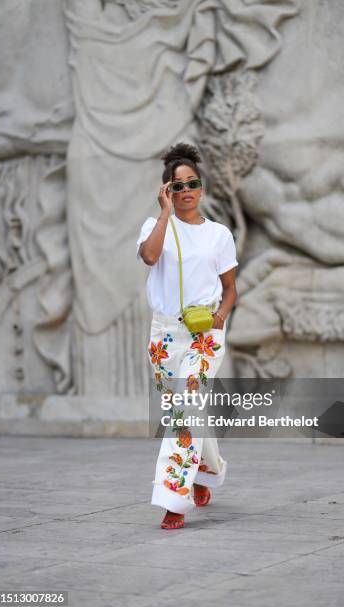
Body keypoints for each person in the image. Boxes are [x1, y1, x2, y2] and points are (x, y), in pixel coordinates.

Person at [136, 142, 238, 529]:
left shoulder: (218, 235)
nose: (187, 190)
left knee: (186, 407)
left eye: (192, 183)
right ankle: (205, 474)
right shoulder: (154, 226)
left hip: (204, 335)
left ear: (202, 186)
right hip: (164, 334)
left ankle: (173, 501)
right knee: (182, 410)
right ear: (167, 190)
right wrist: (164, 214)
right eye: (177, 186)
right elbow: (149, 257)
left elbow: (230, 288)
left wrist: (222, 315)